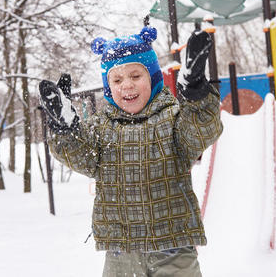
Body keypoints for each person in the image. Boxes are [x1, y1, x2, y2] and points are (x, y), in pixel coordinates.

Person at [39, 26, 223, 277]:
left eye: (136, 76)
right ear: (108, 87)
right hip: (121, 250)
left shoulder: (172, 118)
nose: (127, 85)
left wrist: (196, 94)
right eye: (117, 79)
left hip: (172, 246)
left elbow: (200, 131)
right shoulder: (101, 127)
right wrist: (65, 130)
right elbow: (81, 156)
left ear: (154, 78)